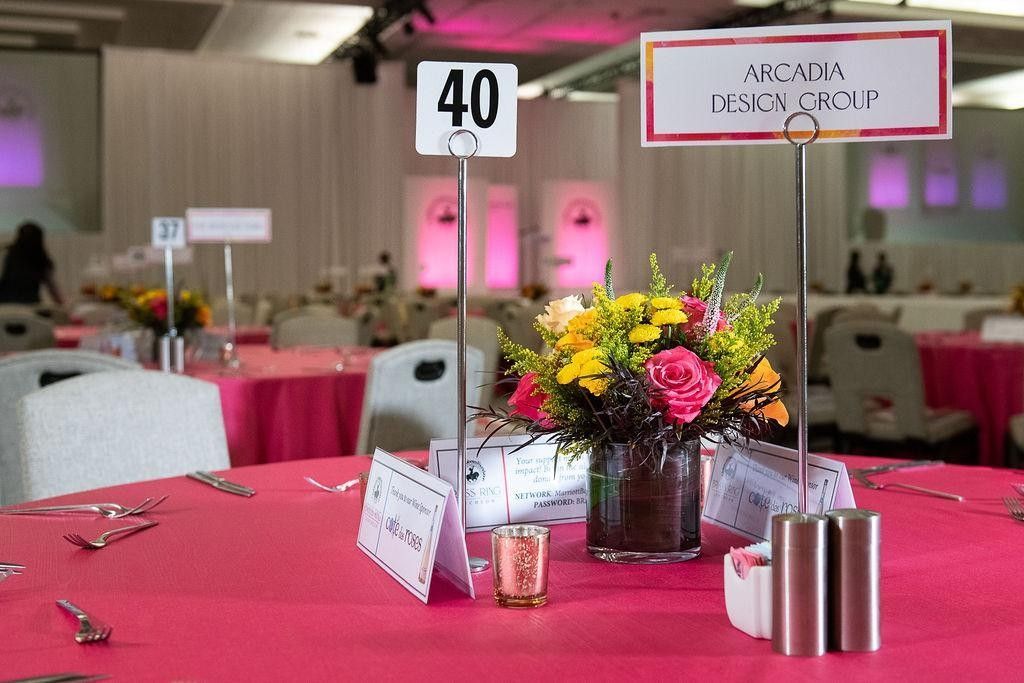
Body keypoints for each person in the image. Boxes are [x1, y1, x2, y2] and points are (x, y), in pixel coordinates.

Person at [0, 222, 64, 305]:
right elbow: (52, 287)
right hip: (30, 304)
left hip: (5, 304)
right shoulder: (41, 260)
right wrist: (62, 305)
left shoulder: (7, 254)